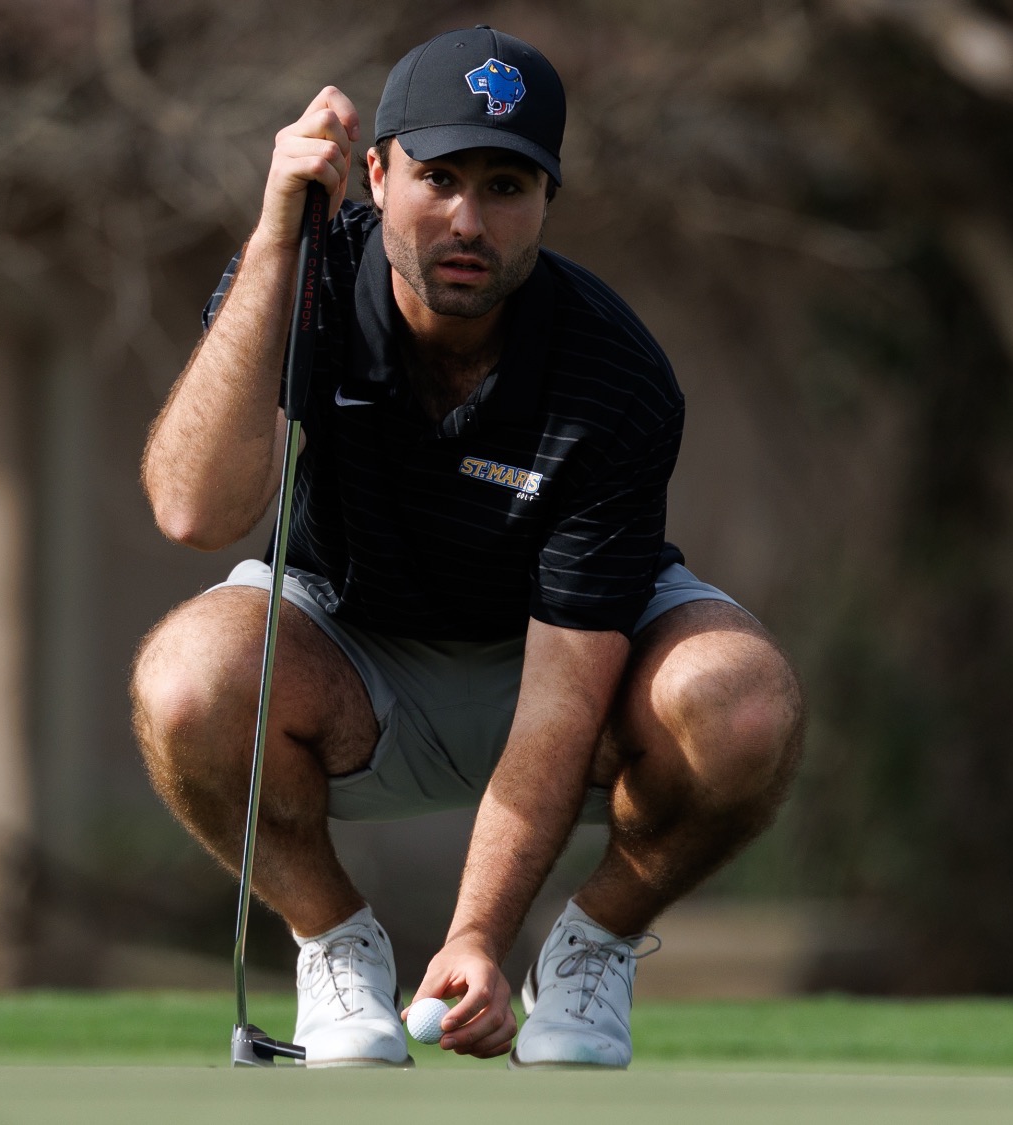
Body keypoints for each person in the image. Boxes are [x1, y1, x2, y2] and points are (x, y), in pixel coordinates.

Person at [131, 25, 802, 1069]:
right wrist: (272, 240)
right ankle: (335, 946)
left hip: (561, 665)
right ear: (374, 177)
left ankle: (588, 950)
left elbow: (561, 702)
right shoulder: (302, 275)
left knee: (742, 703)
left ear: (547, 200)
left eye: (505, 187)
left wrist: (479, 935)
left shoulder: (612, 373)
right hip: (348, 648)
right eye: (437, 179)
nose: (467, 221)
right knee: (184, 682)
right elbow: (191, 513)